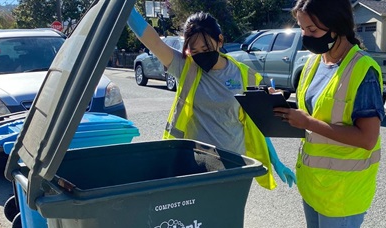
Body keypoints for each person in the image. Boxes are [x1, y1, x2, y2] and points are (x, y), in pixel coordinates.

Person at [271, 0, 385, 228]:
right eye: (301, 29)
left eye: (312, 30)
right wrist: (281, 107)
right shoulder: (313, 64)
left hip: (343, 193)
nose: (305, 37)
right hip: (313, 185)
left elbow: (367, 139)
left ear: (337, 26)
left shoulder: (363, 69)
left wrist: (307, 121)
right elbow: (314, 112)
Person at [127, 8, 296, 189]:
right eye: (195, 50)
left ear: (220, 40)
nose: (201, 54)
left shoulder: (244, 76)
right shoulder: (184, 67)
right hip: (195, 165)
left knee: (229, 216)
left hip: (234, 165)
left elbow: (257, 124)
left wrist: (276, 161)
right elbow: (149, 38)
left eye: (206, 48)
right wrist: (123, 8)